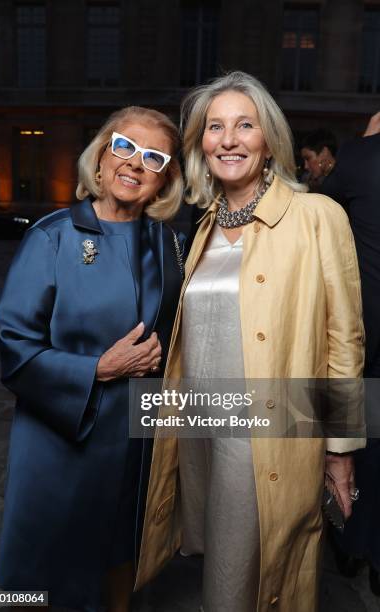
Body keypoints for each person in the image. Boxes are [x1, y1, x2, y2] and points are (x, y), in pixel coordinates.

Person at [133, 72, 365, 611]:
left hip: (269, 431)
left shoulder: (316, 217)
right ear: (200, 143)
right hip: (201, 430)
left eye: (245, 125)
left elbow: (345, 340)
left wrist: (341, 447)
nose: (229, 139)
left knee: (251, 579)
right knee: (220, 562)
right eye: (215, 127)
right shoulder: (203, 226)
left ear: (269, 140)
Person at [0, 106, 185, 612]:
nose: (135, 163)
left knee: (121, 551)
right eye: (124, 146)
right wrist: (98, 368)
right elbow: (14, 349)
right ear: (101, 157)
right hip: (60, 440)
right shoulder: (52, 236)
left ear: (165, 178)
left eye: (153, 157)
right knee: (45, 569)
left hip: (132, 438)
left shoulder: (167, 243)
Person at [321, 113, 380, 595]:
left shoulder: (361, 156)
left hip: (369, 327)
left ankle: (352, 540)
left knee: (358, 440)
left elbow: (321, 211)